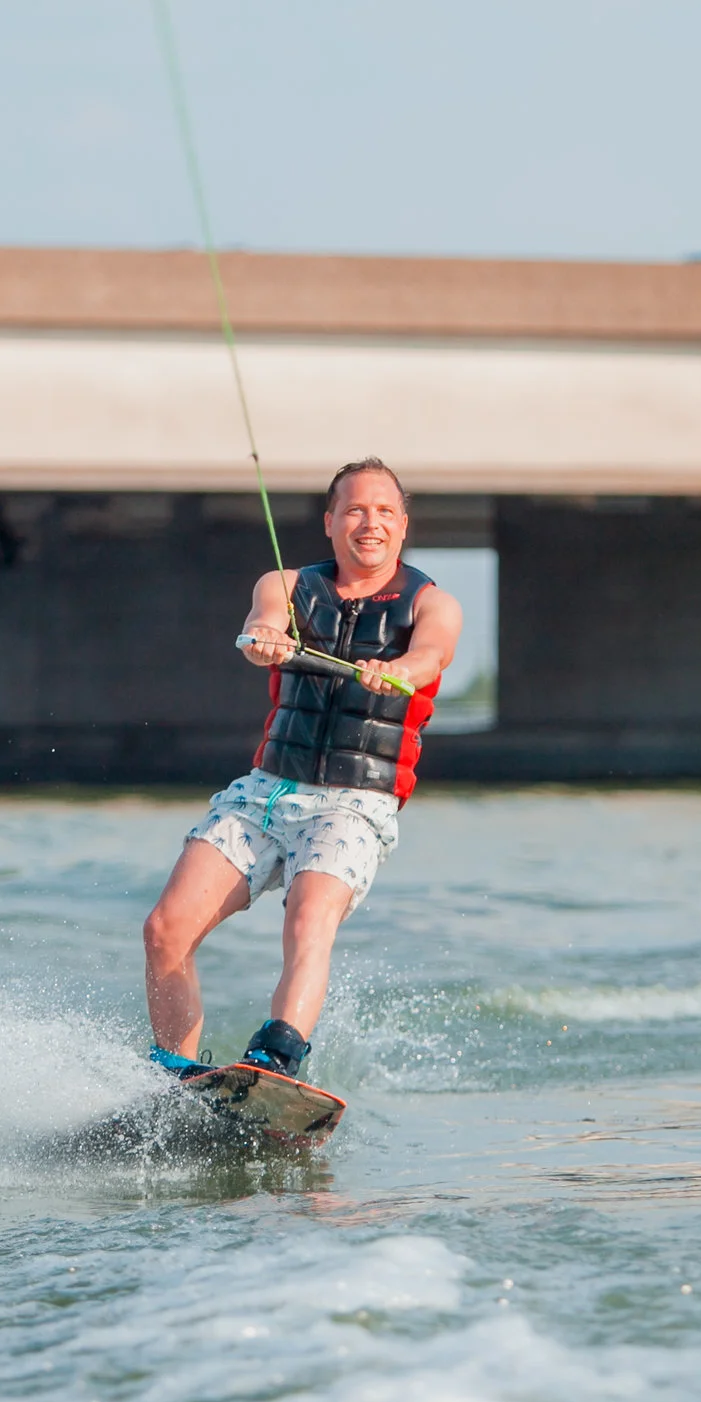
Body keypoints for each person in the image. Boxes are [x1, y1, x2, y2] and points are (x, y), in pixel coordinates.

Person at [141, 457, 463, 1081]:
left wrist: (402, 670)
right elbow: (262, 619)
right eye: (355, 510)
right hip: (266, 794)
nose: (370, 523)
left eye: (385, 512)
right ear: (330, 521)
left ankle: (277, 1058)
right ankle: (170, 1073)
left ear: (403, 525)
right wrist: (265, 637)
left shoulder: (433, 604)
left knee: (309, 915)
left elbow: (430, 654)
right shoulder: (285, 585)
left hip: (356, 803)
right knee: (164, 929)